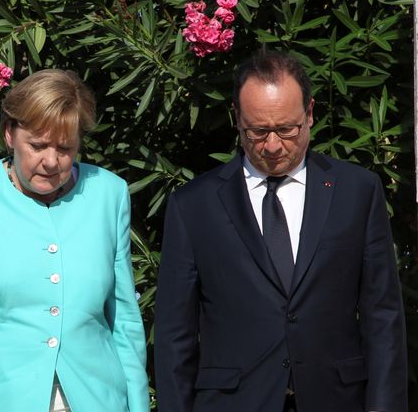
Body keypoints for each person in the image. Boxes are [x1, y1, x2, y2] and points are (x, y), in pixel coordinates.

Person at [153, 49, 407, 412]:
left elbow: (383, 318)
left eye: (287, 129)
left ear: (310, 113)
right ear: (236, 119)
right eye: (257, 131)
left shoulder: (357, 191)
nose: (272, 146)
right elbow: (174, 335)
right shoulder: (194, 205)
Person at [0, 69, 150, 412]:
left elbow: (125, 323)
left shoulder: (108, 194)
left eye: (65, 147)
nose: (52, 161)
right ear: (10, 134)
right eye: (38, 145)